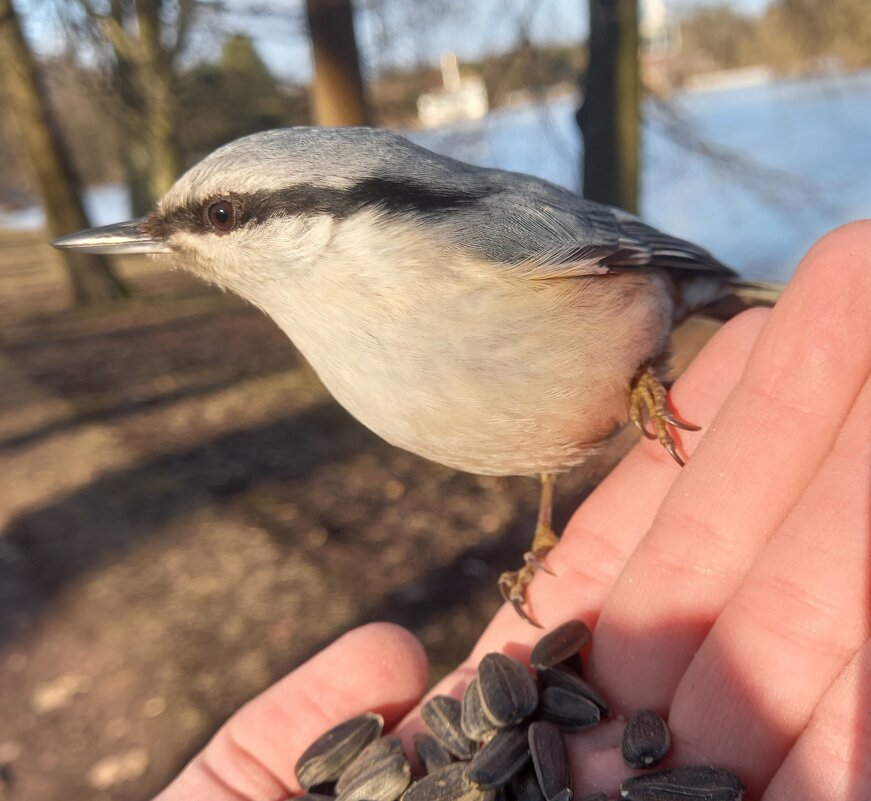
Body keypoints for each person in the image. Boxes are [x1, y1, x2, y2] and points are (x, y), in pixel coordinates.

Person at [152, 222, 871, 801]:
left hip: (662, 292)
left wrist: (645, 376)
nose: (185, 235)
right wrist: (542, 539)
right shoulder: (352, 345)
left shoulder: (483, 237)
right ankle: (543, 537)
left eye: (218, 218)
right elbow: (533, 432)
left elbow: (631, 253)